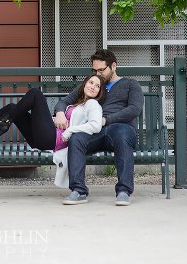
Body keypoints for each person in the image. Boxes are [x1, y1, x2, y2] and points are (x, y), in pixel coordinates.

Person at [0, 74, 105, 189]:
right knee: (13, 108)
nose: (92, 86)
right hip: (44, 137)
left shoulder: (92, 104)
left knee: (36, 94)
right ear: (84, 84)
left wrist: (70, 131)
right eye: (91, 82)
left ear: (99, 92)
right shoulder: (77, 103)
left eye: (97, 86)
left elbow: (95, 125)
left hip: (53, 139)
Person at [57, 48, 144, 206]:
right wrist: (60, 113)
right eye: (94, 70)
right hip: (94, 130)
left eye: (101, 70)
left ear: (114, 66)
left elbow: (134, 109)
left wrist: (106, 120)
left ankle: (124, 191)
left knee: (123, 135)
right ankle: (79, 191)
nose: (97, 74)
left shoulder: (131, 84)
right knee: (76, 138)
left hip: (120, 128)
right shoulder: (93, 84)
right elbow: (64, 101)